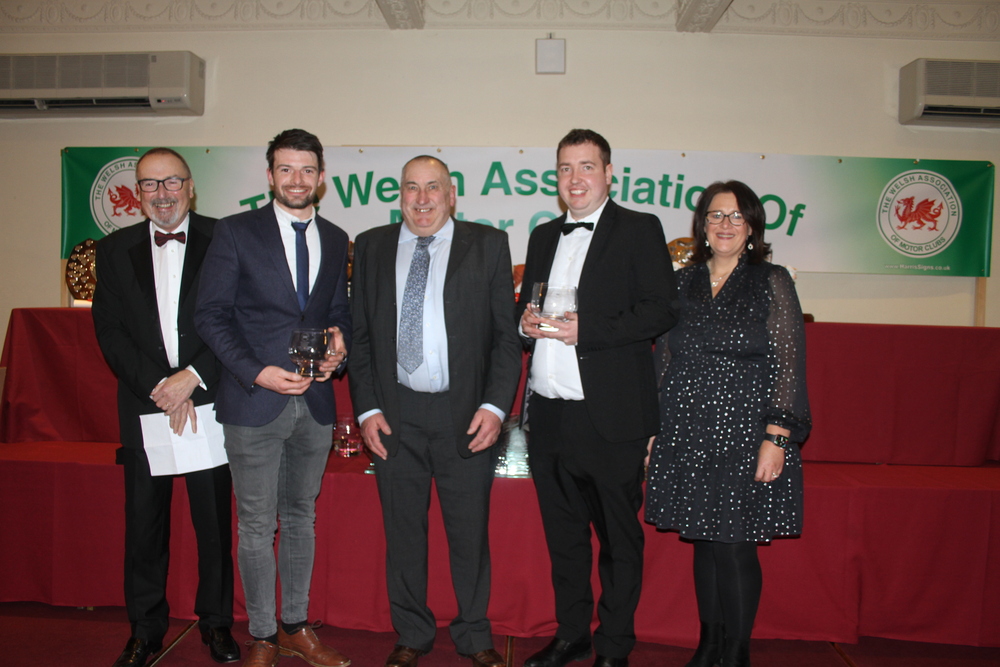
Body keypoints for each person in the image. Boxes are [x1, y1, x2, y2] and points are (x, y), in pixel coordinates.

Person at [348, 155, 522, 667]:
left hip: (465, 414)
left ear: (451, 195)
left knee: (469, 532)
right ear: (400, 195)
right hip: (394, 414)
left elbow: (505, 339)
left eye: (432, 188)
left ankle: (474, 634)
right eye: (411, 188)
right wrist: (366, 409)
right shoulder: (372, 246)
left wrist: (495, 407)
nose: (422, 199)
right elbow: (360, 338)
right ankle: (412, 633)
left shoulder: (487, 244)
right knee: (403, 532)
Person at [516, 129, 678, 667]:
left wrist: (589, 329)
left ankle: (613, 645)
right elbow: (528, 308)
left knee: (617, 540)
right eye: (565, 168)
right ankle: (571, 635)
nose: (576, 178)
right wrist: (523, 323)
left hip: (610, 417)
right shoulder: (543, 235)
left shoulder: (639, 228)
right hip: (548, 416)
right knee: (563, 539)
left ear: (609, 173)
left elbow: (660, 309)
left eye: (587, 166)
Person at [195, 129, 351, 667]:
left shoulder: (336, 237)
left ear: (321, 178)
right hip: (253, 402)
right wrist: (256, 372)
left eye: (307, 170)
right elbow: (210, 315)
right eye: (286, 169)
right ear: (269, 176)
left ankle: (295, 627)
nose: (297, 180)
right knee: (257, 526)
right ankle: (262, 634)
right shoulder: (236, 232)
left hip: (316, 404)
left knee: (302, 518)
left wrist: (338, 347)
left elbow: (338, 313)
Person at [645, 181, 811, 667]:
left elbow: (789, 362)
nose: (725, 224)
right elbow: (663, 359)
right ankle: (709, 645)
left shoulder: (771, 280)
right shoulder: (682, 282)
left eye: (737, 216)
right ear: (701, 224)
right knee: (703, 540)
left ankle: (737, 652)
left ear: (753, 226)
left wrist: (777, 436)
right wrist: (653, 431)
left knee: (735, 545)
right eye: (716, 215)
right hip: (686, 428)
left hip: (745, 430)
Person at [92, 147, 240, 666]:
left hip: (210, 401)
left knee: (214, 525)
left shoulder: (226, 239)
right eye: (150, 184)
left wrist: (191, 378)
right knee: (144, 526)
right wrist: (163, 387)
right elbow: (109, 332)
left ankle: (216, 624)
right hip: (145, 403)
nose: (162, 194)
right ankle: (145, 630)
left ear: (190, 187)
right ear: (138, 193)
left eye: (171, 181)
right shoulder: (113, 251)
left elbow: (239, 319)